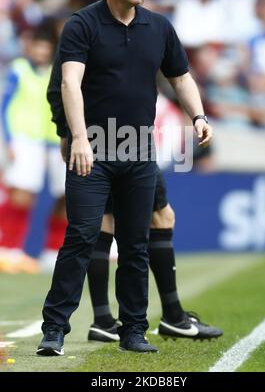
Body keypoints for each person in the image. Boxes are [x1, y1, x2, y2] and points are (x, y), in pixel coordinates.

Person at [37, 0, 212, 357]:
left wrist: (198, 115)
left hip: (138, 150)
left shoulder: (159, 27)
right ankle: (55, 329)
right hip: (93, 149)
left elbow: (180, 75)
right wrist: (77, 137)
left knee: (135, 243)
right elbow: (68, 84)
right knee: (81, 235)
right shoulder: (82, 25)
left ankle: (134, 330)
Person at [47, 51, 223, 343]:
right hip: (126, 142)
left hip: (100, 142)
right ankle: (173, 316)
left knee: (104, 223)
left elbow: (59, 86)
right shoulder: (107, 33)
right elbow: (62, 86)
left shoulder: (87, 32)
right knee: (159, 217)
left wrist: (65, 131)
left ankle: (104, 318)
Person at [0, 28, 66, 274]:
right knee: (22, 194)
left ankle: (52, 251)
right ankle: (8, 248)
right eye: (37, 46)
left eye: (45, 47)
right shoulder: (19, 69)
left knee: (66, 195)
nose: (41, 51)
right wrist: (9, 141)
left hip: (51, 141)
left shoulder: (55, 72)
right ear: (31, 47)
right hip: (23, 140)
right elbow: (4, 106)